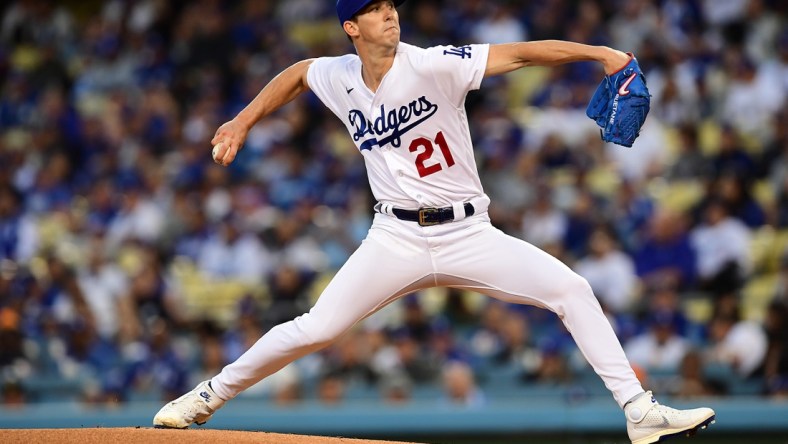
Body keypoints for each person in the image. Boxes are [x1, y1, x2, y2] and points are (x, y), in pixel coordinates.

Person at [153, 1, 716, 443]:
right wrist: (243, 119)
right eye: (373, 9)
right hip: (394, 236)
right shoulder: (339, 74)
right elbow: (299, 74)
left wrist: (598, 52)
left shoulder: (432, 62)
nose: (389, 13)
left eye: (390, 5)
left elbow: (518, 54)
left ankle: (640, 411)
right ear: (351, 26)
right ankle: (205, 397)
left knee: (572, 288)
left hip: (468, 233)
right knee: (317, 328)